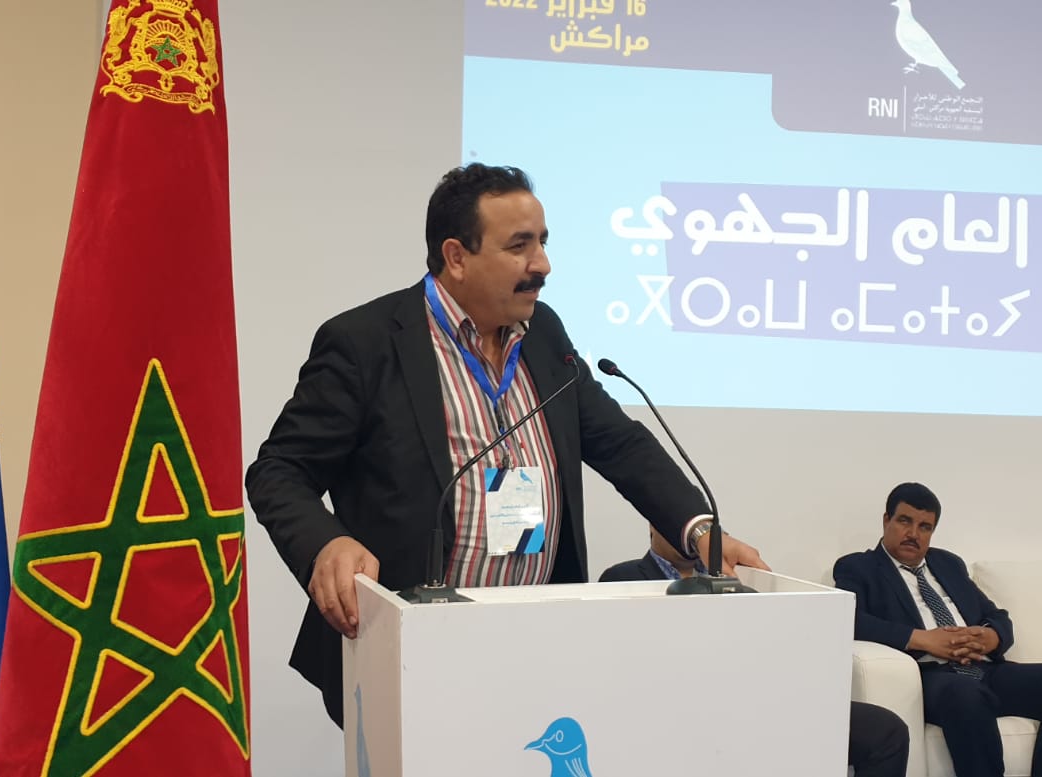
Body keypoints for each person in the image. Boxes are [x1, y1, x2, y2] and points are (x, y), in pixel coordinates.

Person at [246, 163, 768, 726]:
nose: (542, 264)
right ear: (456, 256)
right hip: (405, 645)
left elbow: (619, 444)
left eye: (542, 242)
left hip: (533, 644)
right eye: (520, 246)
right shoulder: (366, 343)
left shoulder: (544, 334)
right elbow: (279, 470)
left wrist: (699, 529)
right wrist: (326, 544)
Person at [832, 482, 1042, 777]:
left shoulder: (948, 564)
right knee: (966, 694)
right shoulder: (859, 567)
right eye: (905, 521)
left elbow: (997, 616)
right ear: (887, 520)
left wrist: (990, 637)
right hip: (932, 676)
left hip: (986, 670)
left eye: (925, 527)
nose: (913, 534)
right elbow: (851, 619)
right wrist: (921, 639)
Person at [601, 528, 911, 777]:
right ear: (652, 526)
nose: (686, 535)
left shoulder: (735, 576)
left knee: (886, 732)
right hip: (685, 710)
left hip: (763, 698)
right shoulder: (621, 579)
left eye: (700, 528)